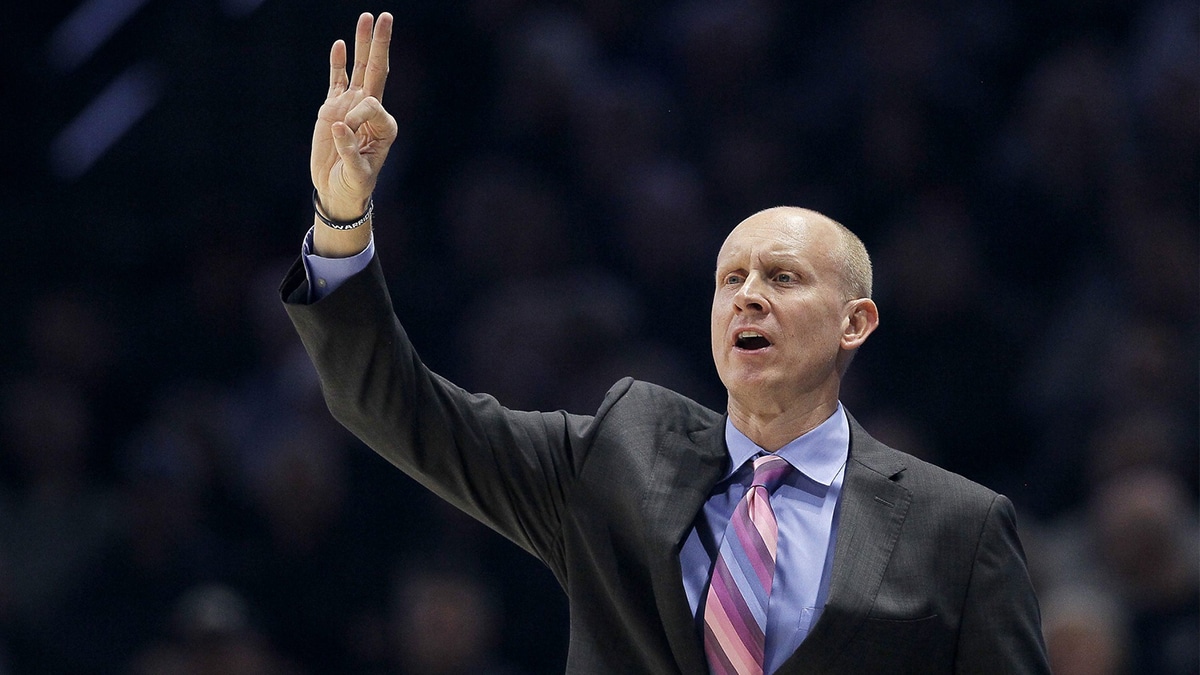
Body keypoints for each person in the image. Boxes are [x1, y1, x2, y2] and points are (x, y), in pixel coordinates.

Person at [281, 12, 1050, 674]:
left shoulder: (960, 527)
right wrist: (341, 218)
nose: (748, 293)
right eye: (731, 278)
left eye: (782, 277)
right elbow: (393, 405)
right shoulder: (617, 459)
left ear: (856, 323)